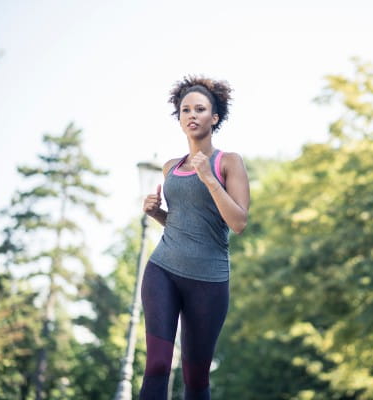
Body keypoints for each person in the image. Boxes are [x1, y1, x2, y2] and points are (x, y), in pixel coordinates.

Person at [140, 76, 250, 399]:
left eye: (200, 109)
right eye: (185, 110)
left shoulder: (228, 162)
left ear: (214, 117)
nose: (191, 115)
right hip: (164, 269)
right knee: (157, 365)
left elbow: (239, 222)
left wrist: (209, 179)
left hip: (208, 280)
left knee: (196, 377)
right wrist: (157, 213)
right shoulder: (170, 167)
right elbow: (184, 223)